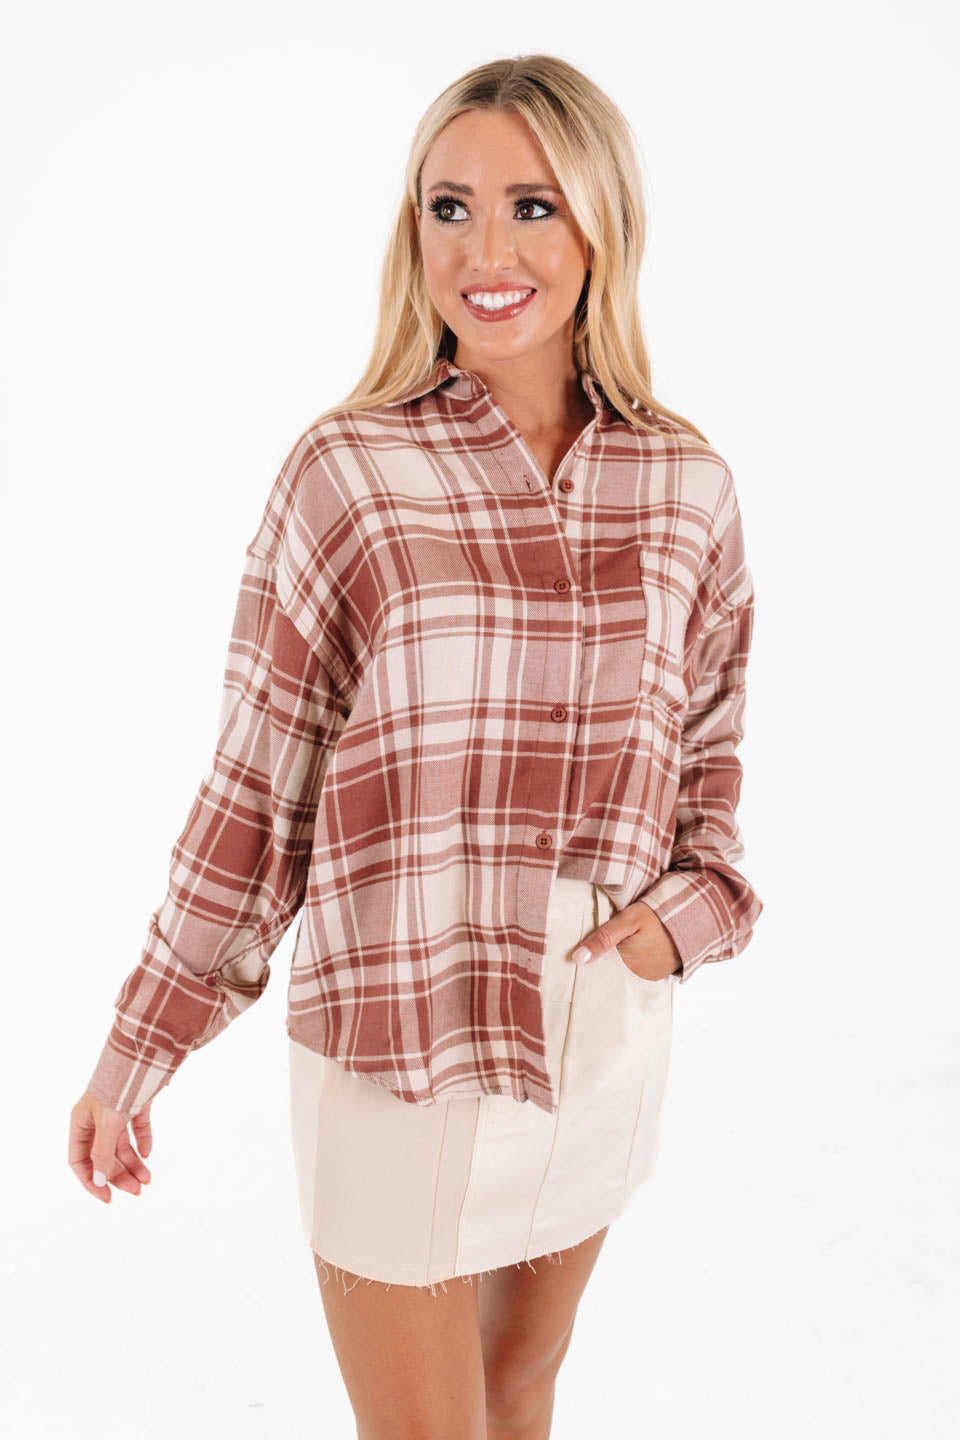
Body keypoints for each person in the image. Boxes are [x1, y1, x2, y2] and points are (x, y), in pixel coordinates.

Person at [69, 53, 763, 1438]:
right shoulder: (347, 472)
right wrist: (138, 1044)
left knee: (519, 1392)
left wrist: (682, 924)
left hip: (597, 1030)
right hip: (398, 1032)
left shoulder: (686, 484)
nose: (485, 253)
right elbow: (259, 791)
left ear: (603, 226)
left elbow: (711, 763)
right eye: (450, 208)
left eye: (531, 207)